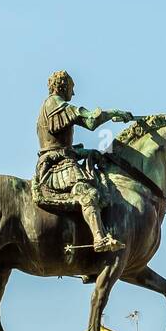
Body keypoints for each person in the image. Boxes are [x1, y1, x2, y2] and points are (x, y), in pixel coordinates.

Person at [34, 70, 134, 253]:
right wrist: (114, 113)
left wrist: (88, 152)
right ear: (62, 86)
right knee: (88, 193)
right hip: (57, 166)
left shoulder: (49, 105)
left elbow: (59, 144)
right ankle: (99, 238)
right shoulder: (55, 104)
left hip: (60, 159)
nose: (73, 94)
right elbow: (90, 120)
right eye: (72, 88)